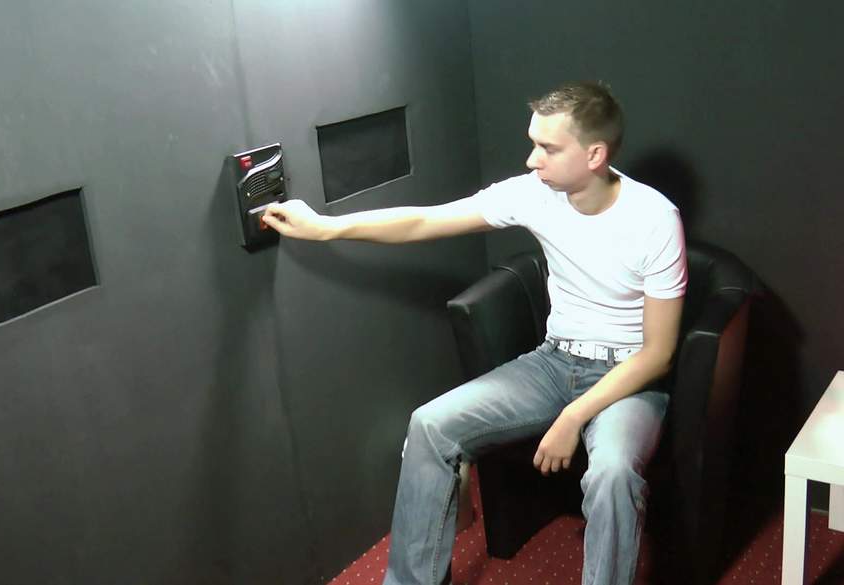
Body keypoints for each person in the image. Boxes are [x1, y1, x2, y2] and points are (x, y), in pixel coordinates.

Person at [262, 81, 687, 585]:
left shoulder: (654, 218)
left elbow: (658, 354)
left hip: (628, 376)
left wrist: (574, 416)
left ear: (595, 154)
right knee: (430, 426)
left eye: (548, 148)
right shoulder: (535, 194)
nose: (532, 160)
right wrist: (326, 227)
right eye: (533, 144)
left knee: (612, 474)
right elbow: (425, 221)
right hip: (555, 362)